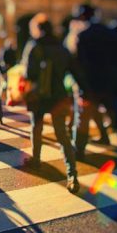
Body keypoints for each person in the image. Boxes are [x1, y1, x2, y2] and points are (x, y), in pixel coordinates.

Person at [70, 4, 117, 178]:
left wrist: (81, 88)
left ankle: (77, 154)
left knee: (82, 123)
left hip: (90, 87)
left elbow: (79, 65)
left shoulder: (82, 36)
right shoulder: (110, 33)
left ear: (81, 18)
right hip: (111, 86)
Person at [23, 14, 79, 193]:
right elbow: (72, 69)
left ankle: (36, 160)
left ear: (37, 29)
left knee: (36, 128)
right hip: (59, 96)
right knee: (62, 135)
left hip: (39, 96)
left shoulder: (34, 46)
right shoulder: (61, 47)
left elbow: (29, 74)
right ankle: (72, 174)